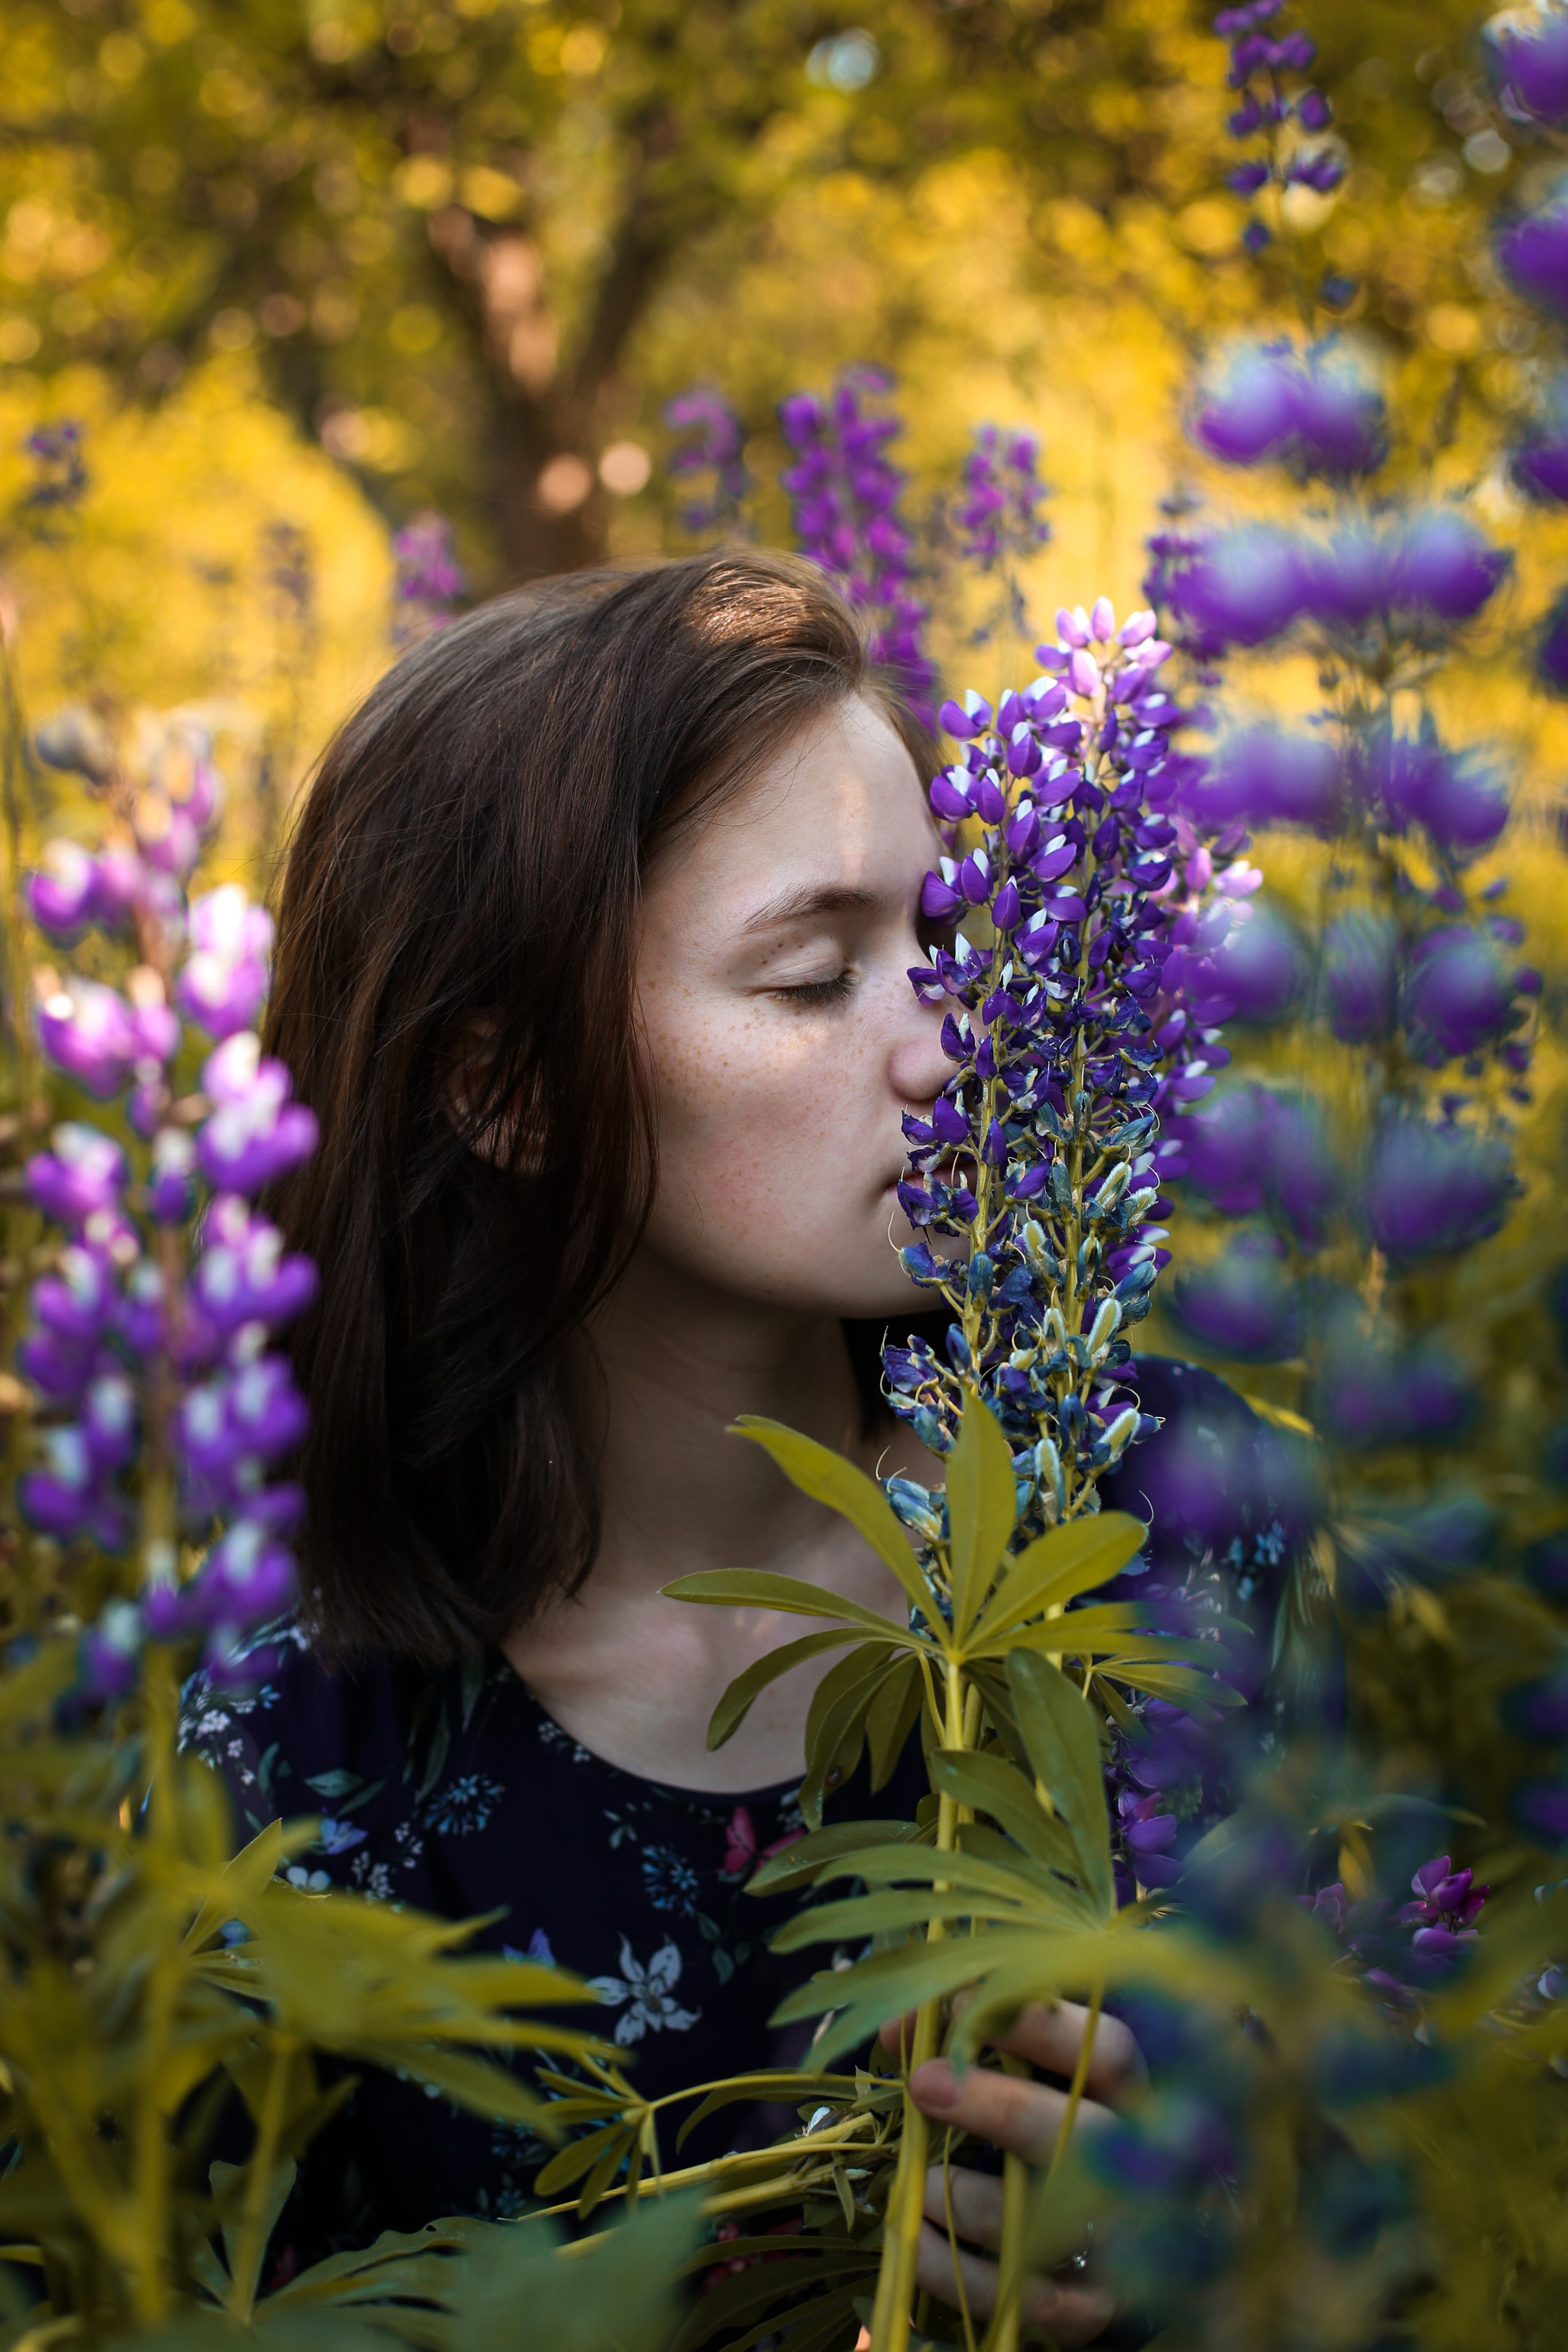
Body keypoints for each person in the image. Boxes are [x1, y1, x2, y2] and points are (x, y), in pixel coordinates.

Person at [180, 551, 1286, 2340]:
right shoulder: (287, 1737)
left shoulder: (1172, 1503)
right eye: (815, 978)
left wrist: (1239, 2248)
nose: (960, 1045)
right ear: (507, 1090)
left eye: (950, 939)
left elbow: (1398, 2151)